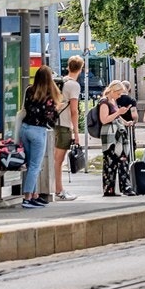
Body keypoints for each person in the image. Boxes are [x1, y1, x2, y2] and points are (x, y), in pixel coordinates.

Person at [19, 67, 58, 209]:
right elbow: (50, 117)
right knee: (35, 166)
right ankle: (27, 197)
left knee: (30, 165)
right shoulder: (49, 95)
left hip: (25, 129)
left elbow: (26, 108)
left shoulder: (30, 90)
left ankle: (34, 195)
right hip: (38, 131)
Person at [51, 56, 83, 202]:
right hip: (64, 126)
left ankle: (53, 188)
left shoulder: (59, 82)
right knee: (59, 160)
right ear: (80, 69)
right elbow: (74, 111)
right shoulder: (74, 86)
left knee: (53, 159)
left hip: (52, 125)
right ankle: (58, 189)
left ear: (68, 67)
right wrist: (76, 132)